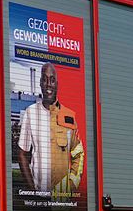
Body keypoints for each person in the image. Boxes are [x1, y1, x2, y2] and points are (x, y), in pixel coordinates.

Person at [17, 63, 86, 203]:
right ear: (40, 83)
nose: (48, 84)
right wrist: (33, 192)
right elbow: (22, 154)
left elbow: (78, 154)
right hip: (39, 200)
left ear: (57, 84)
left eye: (52, 80)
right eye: (45, 79)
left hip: (62, 200)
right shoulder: (31, 113)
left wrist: (69, 186)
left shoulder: (68, 116)